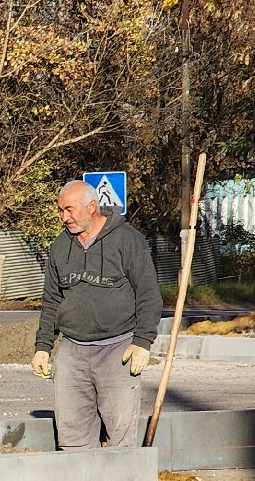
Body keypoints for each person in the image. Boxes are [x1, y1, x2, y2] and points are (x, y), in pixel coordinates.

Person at [32, 180, 160, 449]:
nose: (63, 217)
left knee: (120, 431)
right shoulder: (60, 246)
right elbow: (52, 299)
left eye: (69, 209)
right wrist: (43, 346)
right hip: (73, 349)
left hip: (118, 349)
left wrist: (142, 342)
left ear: (92, 207)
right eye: (60, 210)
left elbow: (148, 294)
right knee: (71, 431)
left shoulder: (127, 240)